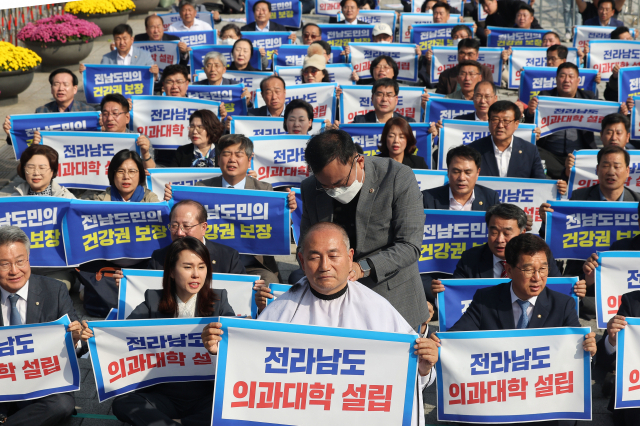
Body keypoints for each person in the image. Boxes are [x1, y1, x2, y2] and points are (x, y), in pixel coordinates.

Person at [237, 222, 437, 426]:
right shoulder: (281, 311)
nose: (325, 266)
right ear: (301, 261)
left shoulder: (378, 310)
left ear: (350, 258)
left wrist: (423, 367)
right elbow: (249, 374)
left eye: (333, 256)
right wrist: (228, 347)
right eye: (315, 257)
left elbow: (411, 382)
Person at [86, 237, 234, 426]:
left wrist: (217, 349)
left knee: (233, 404)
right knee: (124, 404)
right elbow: (121, 335)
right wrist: (91, 334)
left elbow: (236, 348)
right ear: (171, 272)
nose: (196, 274)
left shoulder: (219, 301)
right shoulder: (153, 299)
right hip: (163, 395)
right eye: (187, 267)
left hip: (206, 394)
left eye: (202, 267)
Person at [294, 129, 430, 329]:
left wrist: (361, 267)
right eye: (326, 187)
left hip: (392, 295)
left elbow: (409, 245)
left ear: (358, 161)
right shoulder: (310, 188)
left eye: (340, 183)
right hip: (335, 301)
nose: (334, 191)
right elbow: (304, 246)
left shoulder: (397, 177)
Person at [432, 234, 597, 380]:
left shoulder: (562, 305)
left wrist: (588, 350)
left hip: (542, 389)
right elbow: (455, 338)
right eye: (528, 270)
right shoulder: (486, 299)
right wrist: (436, 343)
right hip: (498, 387)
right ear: (509, 270)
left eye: (543, 269)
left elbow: (578, 358)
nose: (537, 278)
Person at [0, 226, 85, 426]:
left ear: (28, 259)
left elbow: (77, 348)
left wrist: (76, 338)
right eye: (4, 264)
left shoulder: (54, 290)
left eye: (20, 261)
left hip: (41, 384)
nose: (14, 271)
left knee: (62, 404)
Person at [189, 134, 298, 283]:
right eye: (226, 154)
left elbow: (275, 230)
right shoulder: (202, 189)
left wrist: (287, 213)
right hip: (210, 262)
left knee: (269, 284)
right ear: (218, 159)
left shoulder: (263, 190)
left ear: (249, 160)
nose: (232, 159)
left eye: (238, 155)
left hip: (252, 265)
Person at [526, 63, 598, 179]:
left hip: (578, 154)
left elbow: (606, 115)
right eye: (562, 76)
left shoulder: (588, 97)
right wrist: (530, 112)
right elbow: (531, 123)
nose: (566, 80)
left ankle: (564, 174)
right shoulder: (545, 96)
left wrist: (622, 111)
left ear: (578, 80)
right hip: (550, 153)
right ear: (556, 79)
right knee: (533, 152)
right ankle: (567, 174)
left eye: (571, 76)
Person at [468, 101, 560, 182]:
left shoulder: (530, 151)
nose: (500, 125)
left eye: (506, 121)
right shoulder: (474, 150)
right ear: (489, 122)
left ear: (516, 124)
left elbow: (540, 184)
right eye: (495, 120)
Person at [147, 200, 246, 274]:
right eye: (174, 226)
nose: (179, 233)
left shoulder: (228, 257)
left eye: (186, 226)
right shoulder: (159, 258)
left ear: (203, 227)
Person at [3, 68, 96, 145]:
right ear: (51, 89)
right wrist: (10, 133)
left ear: (75, 89)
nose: (60, 88)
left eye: (65, 84)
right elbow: (27, 139)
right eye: (56, 84)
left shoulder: (87, 112)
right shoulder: (42, 112)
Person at [423, 145, 499, 210]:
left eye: (468, 172)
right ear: (448, 171)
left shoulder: (491, 198)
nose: (462, 178)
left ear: (477, 173)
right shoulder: (427, 199)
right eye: (456, 172)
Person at [564, 113, 632, 179]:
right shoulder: (585, 159)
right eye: (609, 133)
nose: (613, 138)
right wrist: (569, 171)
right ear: (601, 135)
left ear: (627, 137)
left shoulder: (637, 159)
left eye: (618, 133)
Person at [98, 94, 157, 169]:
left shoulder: (140, 140)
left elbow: (151, 173)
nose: (109, 118)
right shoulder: (95, 141)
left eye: (115, 114)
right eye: (105, 114)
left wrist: (145, 154)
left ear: (127, 118)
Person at [80, 24, 158, 80]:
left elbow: (153, 79)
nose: (121, 42)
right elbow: (100, 78)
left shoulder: (145, 55)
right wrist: (86, 72)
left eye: (125, 39)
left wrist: (155, 73)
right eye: (118, 39)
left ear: (132, 40)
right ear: (114, 41)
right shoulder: (107, 58)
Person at [91, 149, 160, 202]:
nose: (126, 177)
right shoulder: (101, 201)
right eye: (120, 171)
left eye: (132, 171)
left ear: (140, 174)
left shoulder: (150, 200)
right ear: (113, 174)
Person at [604, 26, 635, 102]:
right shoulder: (610, 61)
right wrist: (615, 76)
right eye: (626, 40)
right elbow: (610, 93)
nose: (630, 41)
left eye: (630, 38)